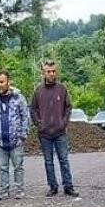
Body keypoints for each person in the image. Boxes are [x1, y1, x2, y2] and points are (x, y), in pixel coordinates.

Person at [30, 60, 78, 198]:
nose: (51, 74)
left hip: (60, 132)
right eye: (48, 71)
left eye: (53, 71)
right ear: (43, 73)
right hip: (44, 134)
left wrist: (63, 123)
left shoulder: (62, 89)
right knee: (48, 161)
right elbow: (33, 109)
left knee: (64, 159)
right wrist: (39, 124)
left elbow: (68, 107)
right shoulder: (38, 91)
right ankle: (53, 187)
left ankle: (68, 187)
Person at [0, 70, 30, 200]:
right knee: (3, 168)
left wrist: (23, 135)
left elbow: (25, 116)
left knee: (18, 166)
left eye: (2, 82)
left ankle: (19, 190)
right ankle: (4, 191)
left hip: (16, 140)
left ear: (8, 82)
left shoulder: (18, 97)